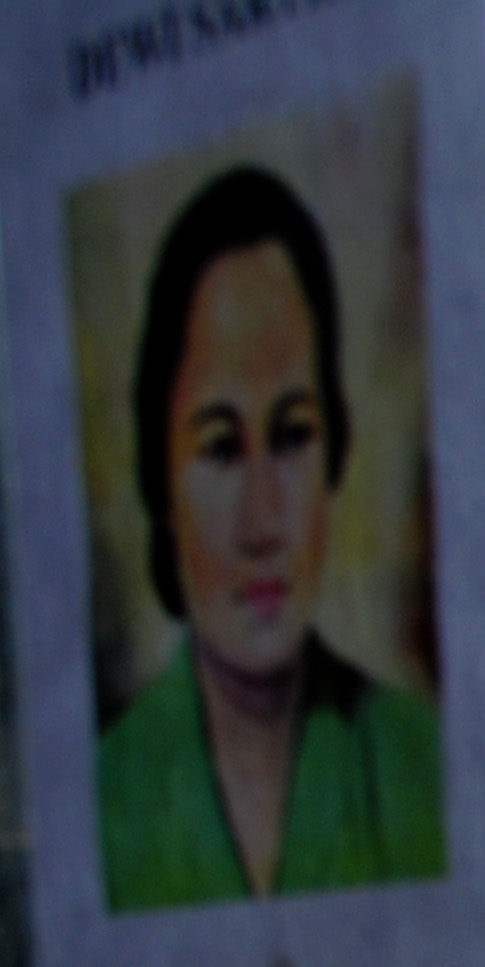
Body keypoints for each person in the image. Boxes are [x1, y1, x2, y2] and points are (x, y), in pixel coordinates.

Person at [95, 165, 445, 912]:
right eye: (220, 448)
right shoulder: (102, 805)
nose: (263, 520)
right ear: (161, 480)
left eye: (291, 436)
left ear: (335, 453)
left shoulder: (428, 767)